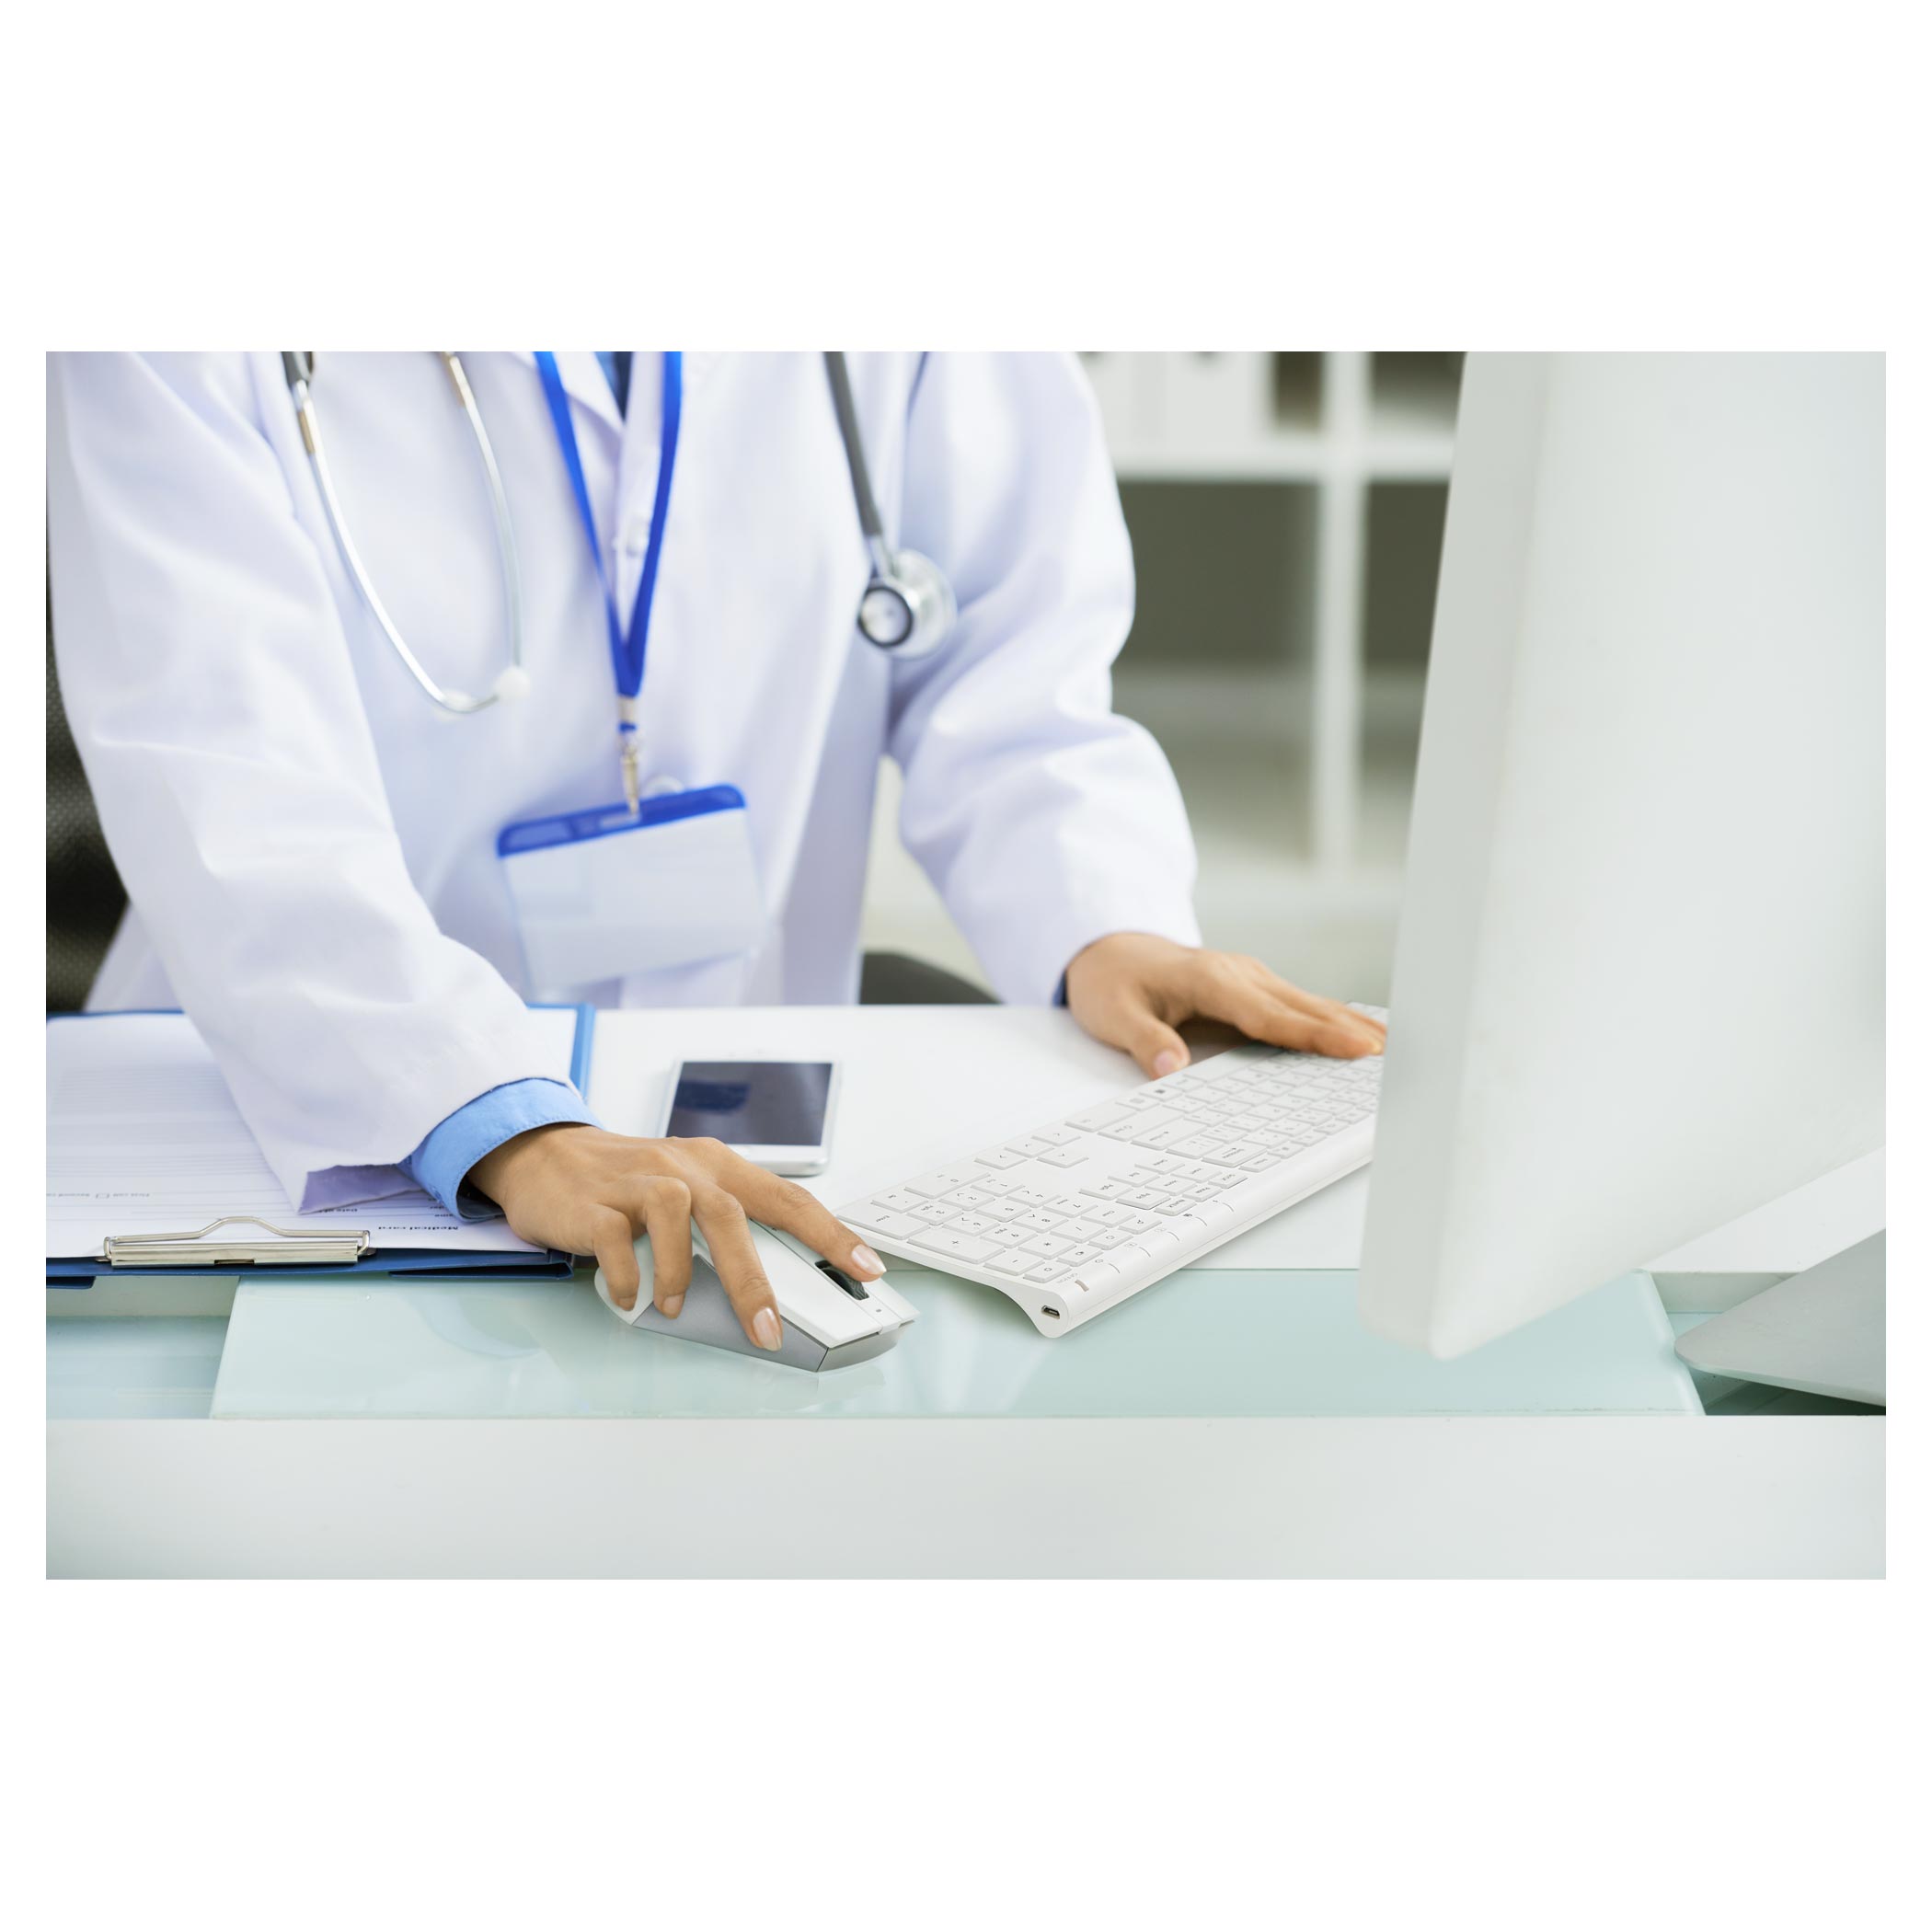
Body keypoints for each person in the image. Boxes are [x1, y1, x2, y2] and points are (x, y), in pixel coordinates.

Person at [46, 351, 1385, 1351]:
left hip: (729, 1105)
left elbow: (1013, 673)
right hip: (301, 1105)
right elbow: (230, 782)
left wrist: (1104, 919)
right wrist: (500, 1118)